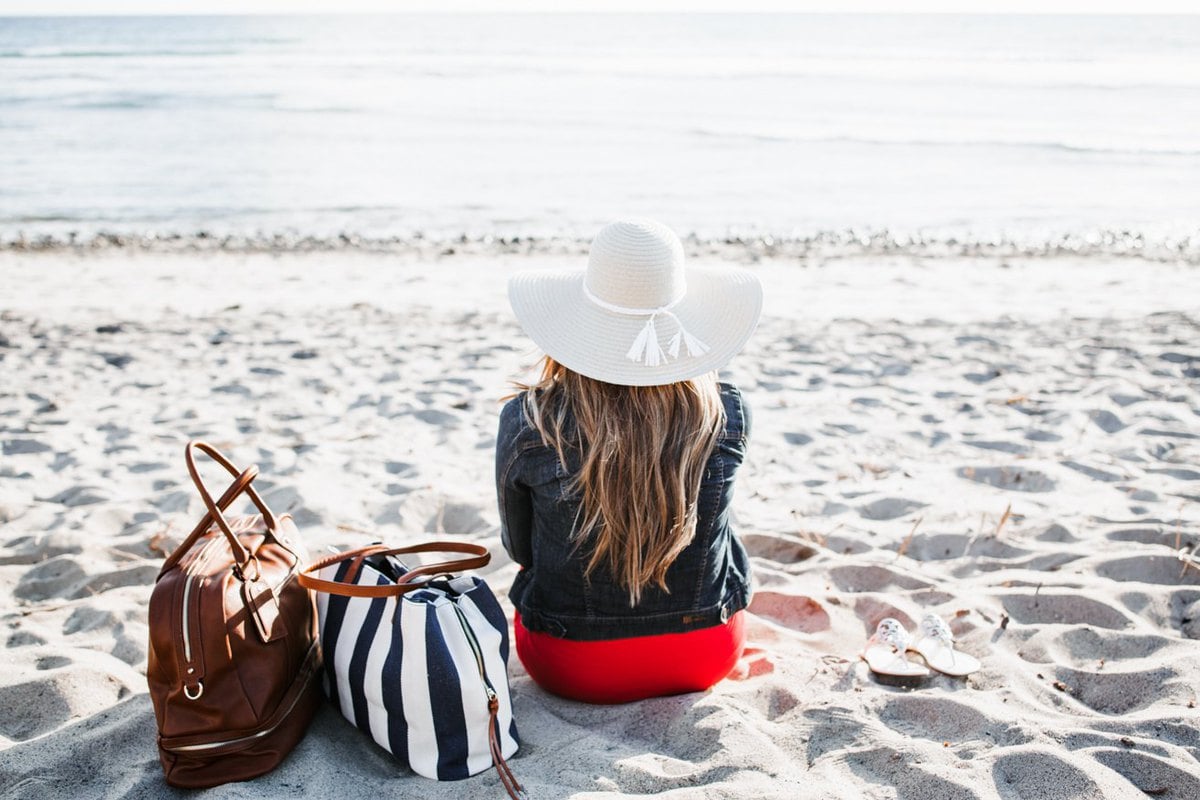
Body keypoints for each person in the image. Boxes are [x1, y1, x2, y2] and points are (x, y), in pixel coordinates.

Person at [495, 218, 763, 704]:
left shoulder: (532, 420)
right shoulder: (726, 412)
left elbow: (519, 549)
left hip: (572, 663)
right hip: (704, 653)